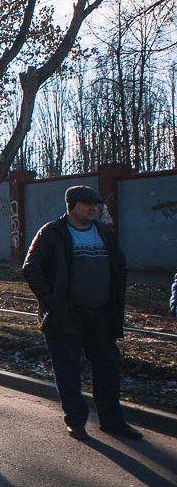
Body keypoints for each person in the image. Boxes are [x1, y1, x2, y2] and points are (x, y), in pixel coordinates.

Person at [22, 185, 142, 441]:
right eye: (88, 204)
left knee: (107, 367)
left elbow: (118, 265)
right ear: (72, 205)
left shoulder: (103, 231)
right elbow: (31, 268)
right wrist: (52, 302)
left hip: (100, 313)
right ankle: (75, 421)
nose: (94, 208)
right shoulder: (52, 232)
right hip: (65, 315)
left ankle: (112, 421)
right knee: (68, 370)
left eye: (96, 204)